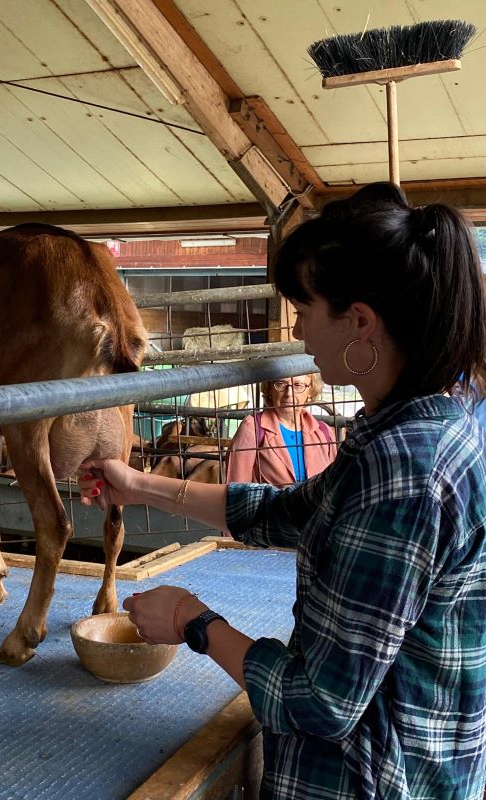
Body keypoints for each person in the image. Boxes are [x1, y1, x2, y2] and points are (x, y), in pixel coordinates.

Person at [78, 182, 486, 800]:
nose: (297, 327)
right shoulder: (417, 424)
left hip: (371, 780)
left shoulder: (405, 474)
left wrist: (193, 620)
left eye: (306, 304)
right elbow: (290, 511)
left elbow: (320, 703)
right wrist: (136, 485)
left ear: (360, 324)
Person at [226, 373, 336, 487]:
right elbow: (236, 490)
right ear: (270, 390)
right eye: (281, 384)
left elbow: (334, 486)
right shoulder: (252, 427)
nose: (289, 394)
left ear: (310, 392)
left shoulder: (324, 432)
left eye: (298, 385)